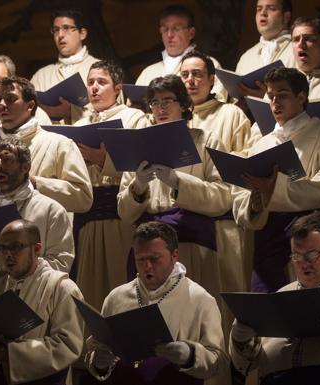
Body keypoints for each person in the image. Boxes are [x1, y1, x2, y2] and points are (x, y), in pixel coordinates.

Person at [117, 75, 234, 328]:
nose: (160, 108)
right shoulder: (139, 145)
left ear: (183, 104)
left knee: (190, 321)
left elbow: (223, 198)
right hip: (148, 247)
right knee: (149, 325)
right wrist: (138, 186)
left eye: (167, 101)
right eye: (154, 103)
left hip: (192, 244)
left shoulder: (206, 140)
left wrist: (178, 182)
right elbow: (125, 213)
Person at [232, 67, 320, 293]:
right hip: (268, 235)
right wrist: (255, 202)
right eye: (270, 96)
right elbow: (240, 195)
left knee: (310, 307)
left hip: (311, 237)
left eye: (282, 95)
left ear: (301, 97)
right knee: (268, 309)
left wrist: (276, 189)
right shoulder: (262, 143)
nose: (275, 102)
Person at [85, 221, 229, 385]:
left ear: (174, 256)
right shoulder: (116, 298)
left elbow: (219, 363)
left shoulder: (200, 300)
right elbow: (96, 352)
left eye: (154, 259)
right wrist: (98, 363)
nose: (147, 266)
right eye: (140, 259)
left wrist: (190, 355)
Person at [0, 219, 84, 384]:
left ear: (36, 249)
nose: (7, 254)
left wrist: (11, 353)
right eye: (3, 248)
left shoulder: (62, 288)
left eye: (15, 247)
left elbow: (67, 345)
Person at [0, 138, 74, 297]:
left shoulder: (51, 210)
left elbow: (62, 264)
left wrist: (19, 265)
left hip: (33, 300)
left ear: (25, 167)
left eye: (7, 159)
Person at [0, 76, 92, 215]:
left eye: (10, 99)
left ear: (30, 105)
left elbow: (83, 198)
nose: (2, 104)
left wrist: (35, 183)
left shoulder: (59, 144)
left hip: (43, 232)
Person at [230, 211, 320, 384]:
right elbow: (247, 365)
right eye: (296, 256)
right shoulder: (280, 296)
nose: (303, 264)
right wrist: (240, 339)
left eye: (311, 255)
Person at [72, 60, 148, 309]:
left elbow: (142, 165)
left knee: (119, 285)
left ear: (118, 88)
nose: (94, 88)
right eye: (90, 82)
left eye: (101, 82)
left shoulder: (134, 117)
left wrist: (104, 161)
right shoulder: (79, 125)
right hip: (87, 215)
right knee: (89, 289)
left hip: (120, 212)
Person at [135, 5, 227, 102]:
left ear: (191, 33)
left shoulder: (208, 64)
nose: (169, 35)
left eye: (176, 29)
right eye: (165, 29)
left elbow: (219, 102)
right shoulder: (148, 72)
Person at [30, 8, 100, 123]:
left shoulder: (101, 69)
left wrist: (71, 112)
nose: (60, 35)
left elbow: (113, 112)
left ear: (82, 33)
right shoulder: (41, 76)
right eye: (56, 30)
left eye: (66, 28)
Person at [181, 51, 255, 155]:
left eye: (196, 74)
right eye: (184, 75)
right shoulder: (175, 115)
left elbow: (245, 155)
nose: (190, 80)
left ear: (212, 79)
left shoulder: (231, 113)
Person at [290, 17, 320, 126]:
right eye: (296, 39)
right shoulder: (280, 81)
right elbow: (259, 128)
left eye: (308, 39)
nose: (301, 45)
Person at [236, 0, 295, 77]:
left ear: (286, 17)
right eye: (259, 9)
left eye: (271, 8)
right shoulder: (246, 57)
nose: (262, 13)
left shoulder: (299, 49)